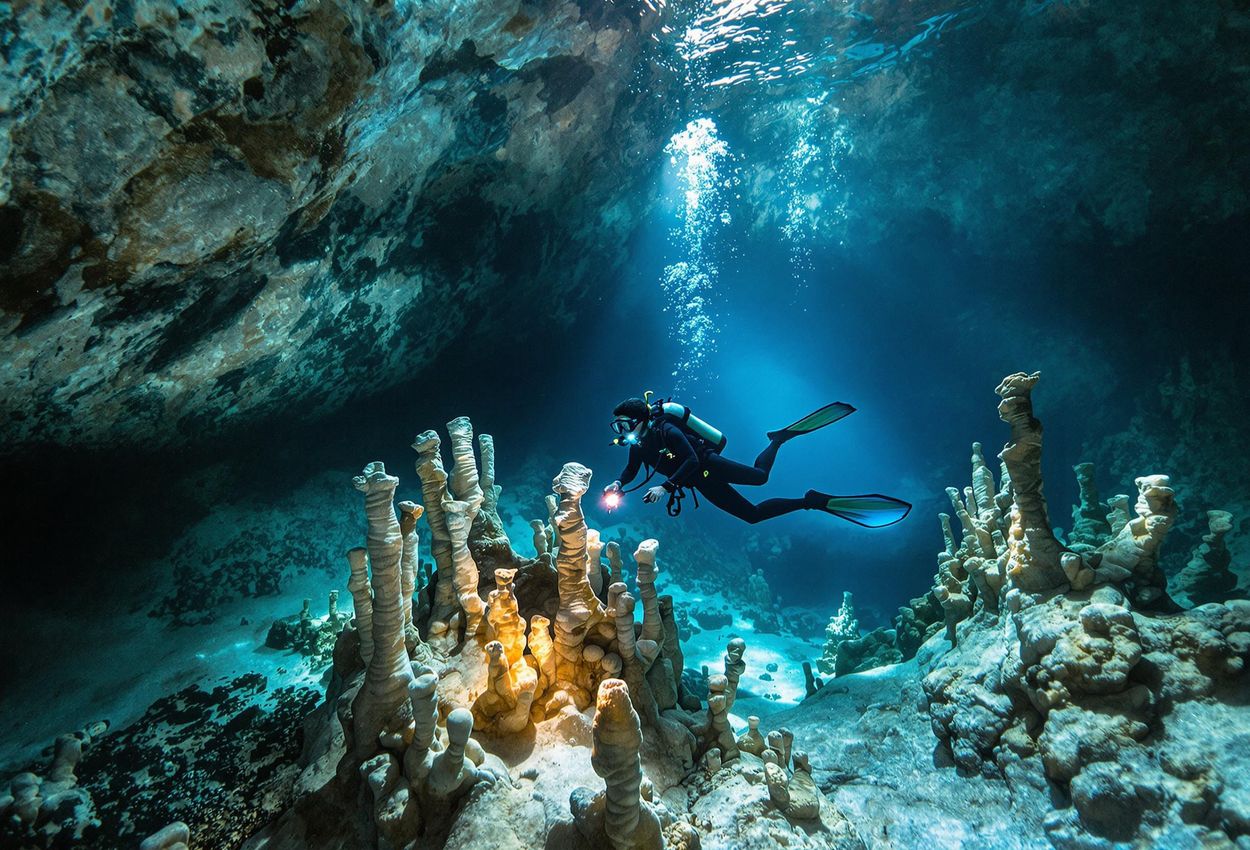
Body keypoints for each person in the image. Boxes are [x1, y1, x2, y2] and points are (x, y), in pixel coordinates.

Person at [603, 395, 911, 527]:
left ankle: (778, 438)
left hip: (706, 465)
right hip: (697, 481)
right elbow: (631, 469)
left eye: (623, 424)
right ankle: (811, 501)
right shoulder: (639, 442)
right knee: (752, 516)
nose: (620, 432)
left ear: (639, 419)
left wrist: (666, 487)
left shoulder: (666, 429)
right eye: (617, 427)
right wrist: (618, 483)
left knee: (761, 477)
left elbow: (692, 461)